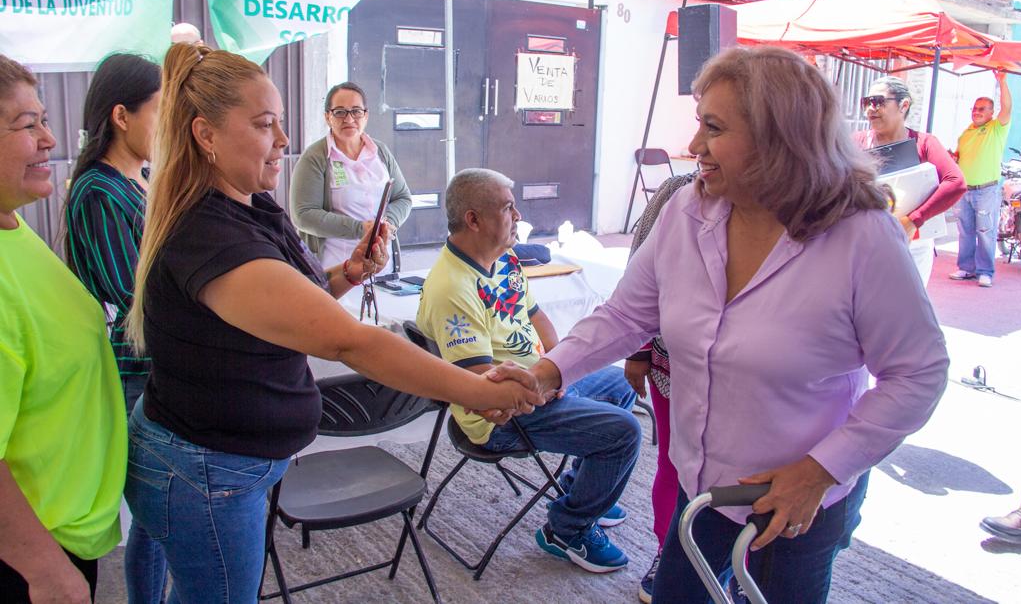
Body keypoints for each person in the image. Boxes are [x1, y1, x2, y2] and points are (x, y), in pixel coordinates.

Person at [521, 47, 949, 602]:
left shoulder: (861, 237)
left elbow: (919, 374)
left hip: (797, 502)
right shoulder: (685, 212)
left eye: (714, 128)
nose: (694, 146)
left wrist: (820, 470)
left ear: (780, 140)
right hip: (703, 489)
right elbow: (628, 314)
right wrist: (548, 371)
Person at [123, 43, 546, 603]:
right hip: (208, 470)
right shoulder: (211, 235)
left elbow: (296, 306)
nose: (283, 141)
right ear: (206, 135)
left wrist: (348, 273)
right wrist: (475, 388)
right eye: (265, 125)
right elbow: (349, 340)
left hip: (224, 459)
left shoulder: (249, 205)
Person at [416, 168, 642, 574]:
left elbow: (537, 319)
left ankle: (581, 492)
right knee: (625, 432)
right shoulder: (452, 287)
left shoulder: (504, 259)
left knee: (618, 382)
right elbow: (480, 383)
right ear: (473, 219)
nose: (518, 215)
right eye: (507, 207)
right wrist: (545, 389)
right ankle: (567, 529)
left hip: (536, 385)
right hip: (502, 415)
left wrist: (562, 370)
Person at [0, 54, 127, 603]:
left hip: (67, 527)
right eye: (28, 125)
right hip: (30, 553)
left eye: (45, 121)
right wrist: (43, 568)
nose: (49, 139)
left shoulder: (14, 228)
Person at [63, 53, 167, 604]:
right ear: (122, 115)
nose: (167, 126)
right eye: (159, 112)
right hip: (134, 373)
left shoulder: (142, 178)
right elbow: (134, 296)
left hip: (158, 367)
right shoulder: (99, 192)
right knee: (151, 517)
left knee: (158, 519)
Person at [622, 172, 694, 603]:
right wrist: (638, 348)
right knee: (675, 463)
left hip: (755, 384)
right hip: (673, 366)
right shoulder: (676, 192)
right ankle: (669, 553)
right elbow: (638, 279)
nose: (697, 142)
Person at [853, 75, 966, 284]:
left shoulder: (924, 143)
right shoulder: (856, 142)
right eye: (866, 102)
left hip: (913, 246)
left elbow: (956, 182)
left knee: (906, 310)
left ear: (903, 105)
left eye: (877, 101)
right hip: (866, 243)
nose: (870, 108)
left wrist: (914, 220)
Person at [290, 82, 412, 269]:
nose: (349, 119)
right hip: (334, 269)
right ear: (327, 117)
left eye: (356, 111)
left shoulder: (381, 152)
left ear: (366, 115)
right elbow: (303, 215)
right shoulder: (315, 158)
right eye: (340, 112)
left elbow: (402, 197)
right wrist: (361, 229)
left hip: (382, 268)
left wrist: (386, 224)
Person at [950, 70, 1012, 287]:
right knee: (965, 230)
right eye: (974, 109)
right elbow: (960, 157)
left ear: (991, 112)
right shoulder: (967, 132)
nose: (976, 112)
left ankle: (985, 271)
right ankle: (966, 268)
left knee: (985, 231)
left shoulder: (996, 128)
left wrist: (1002, 81)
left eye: (982, 109)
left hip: (986, 189)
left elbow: (1007, 108)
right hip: (965, 190)